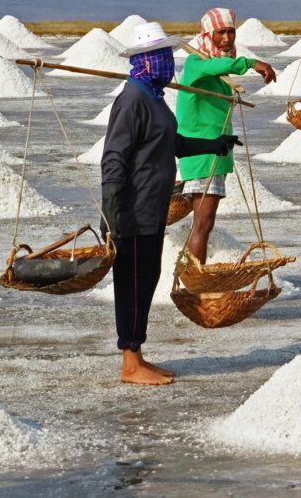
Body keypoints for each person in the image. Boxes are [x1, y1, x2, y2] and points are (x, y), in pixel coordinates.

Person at [102, 22, 240, 385]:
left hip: (152, 208)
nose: (168, 63)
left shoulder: (154, 97)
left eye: (168, 56)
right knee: (131, 283)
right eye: (161, 57)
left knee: (147, 278)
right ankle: (130, 363)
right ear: (145, 61)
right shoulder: (131, 99)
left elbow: (173, 144)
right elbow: (114, 158)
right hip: (132, 209)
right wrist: (110, 212)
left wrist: (213, 144)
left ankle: (138, 355)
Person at [176, 8, 276, 264]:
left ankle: (189, 274)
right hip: (203, 155)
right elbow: (216, 64)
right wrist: (252, 63)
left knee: (203, 223)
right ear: (208, 34)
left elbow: (220, 65)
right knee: (203, 223)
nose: (227, 37)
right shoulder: (197, 64)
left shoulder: (214, 67)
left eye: (231, 31)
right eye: (221, 32)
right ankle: (193, 279)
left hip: (214, 152)